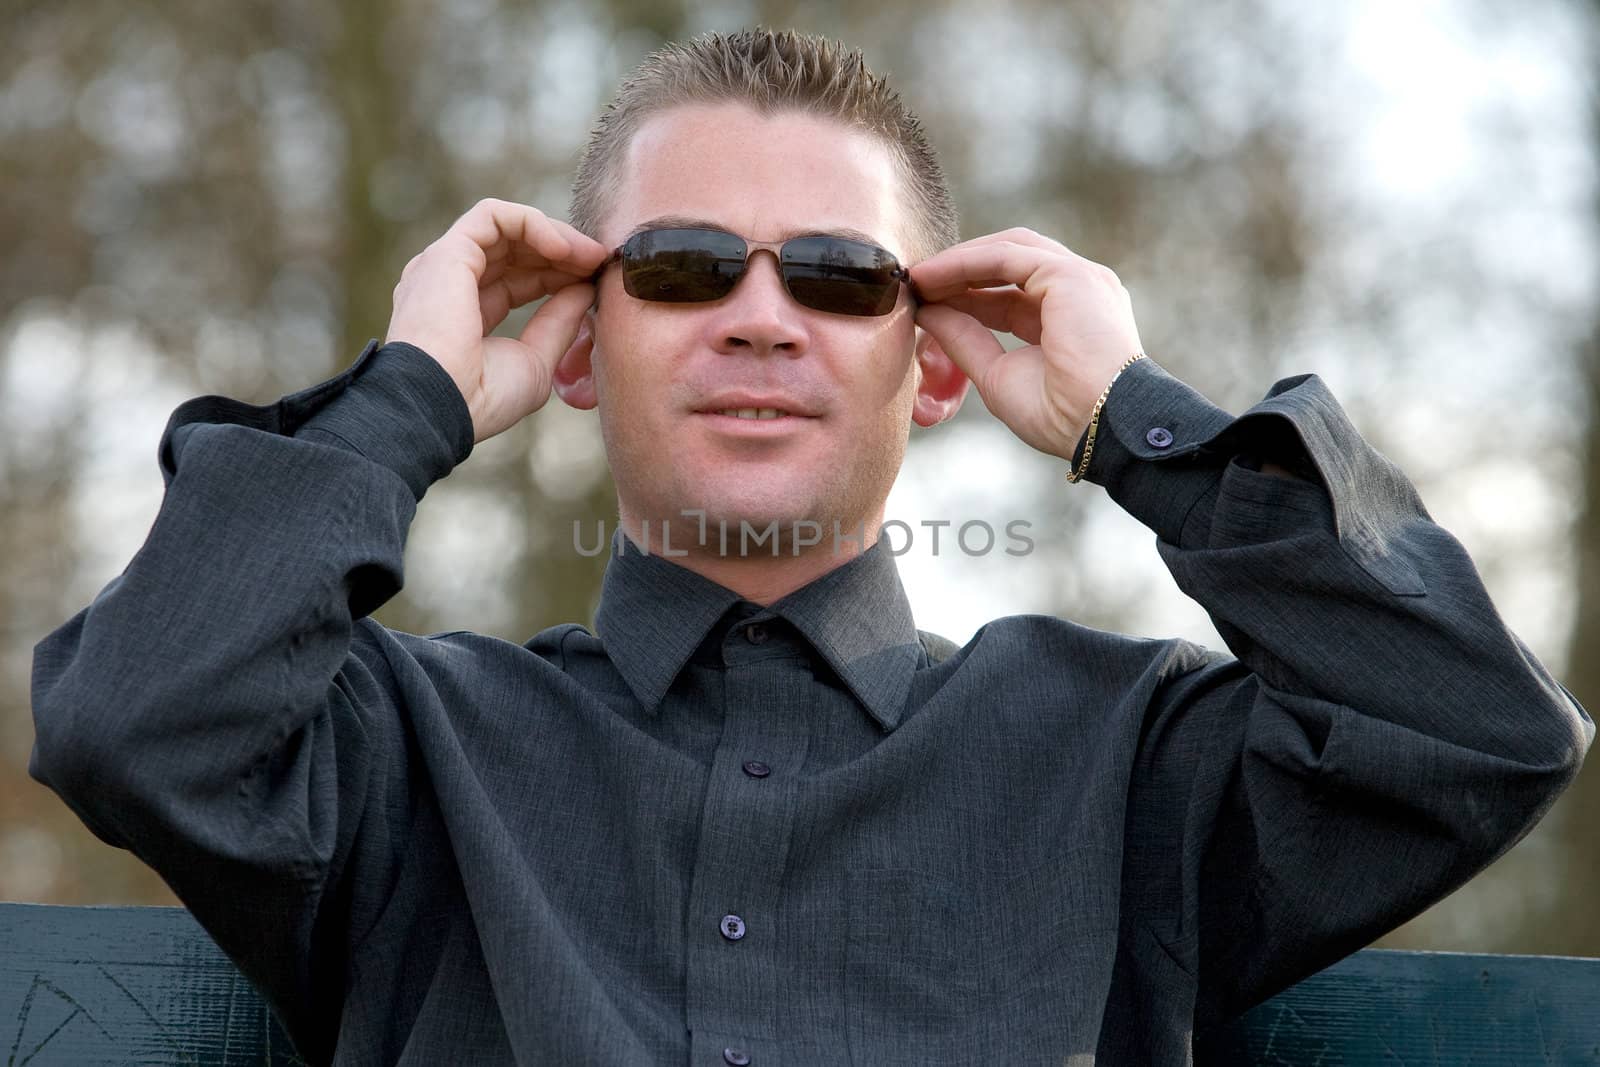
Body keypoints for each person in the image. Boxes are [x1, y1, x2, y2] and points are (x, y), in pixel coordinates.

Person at [28, 27, 1591, 1067]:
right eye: (686, 266)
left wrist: (1137, 420)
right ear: (576, 346)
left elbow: (1472, 731)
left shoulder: (1127, 760)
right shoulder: (401, 752)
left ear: (935, 366)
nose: (762, 314)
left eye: (844, 277)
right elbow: (133, 720)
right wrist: (408, 399)